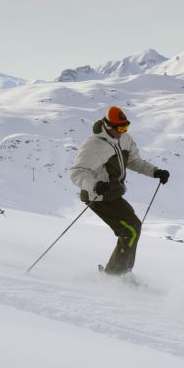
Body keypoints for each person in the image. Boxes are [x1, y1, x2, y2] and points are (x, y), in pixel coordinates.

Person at [69, 105, 169, 276]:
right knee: (130, 229)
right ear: (108, 126)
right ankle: (116, 276)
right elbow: (77, 172)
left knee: (133, 227)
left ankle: (121, 272)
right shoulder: (94, 145)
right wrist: (95, 185)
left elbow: (134, 161)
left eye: (126, 126)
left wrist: (154, 172)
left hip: (114, 193)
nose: (123, 131)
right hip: (98, 196)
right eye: (121, 128)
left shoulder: (124, 139)